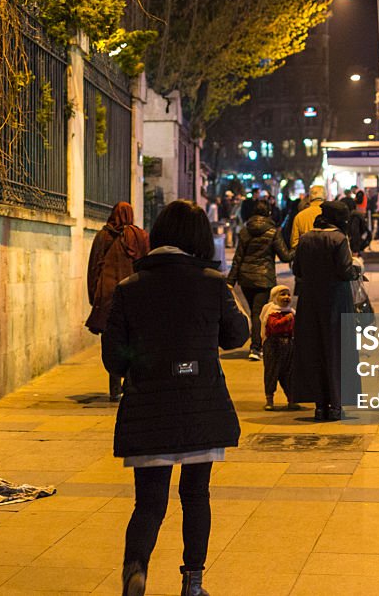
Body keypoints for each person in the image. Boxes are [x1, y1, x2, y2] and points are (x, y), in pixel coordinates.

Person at [102, 200, 249, 596]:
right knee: (196, 495)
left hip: (148, 409)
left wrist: (144, 363)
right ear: (199, 238)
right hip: (201, 405)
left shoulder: (129, 288)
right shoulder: (212, 283)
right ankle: (193, 583)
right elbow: (237, 337)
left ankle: (136, 570)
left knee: (148, 503)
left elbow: (113, 359)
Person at [289, 201, 360, 422]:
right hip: (336, 301)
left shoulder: (306, 238)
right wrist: (357, 269)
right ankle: (336, 405)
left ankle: (320, 405)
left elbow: (297, 269)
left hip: (310, 301)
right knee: (337, 348)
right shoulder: (339, 239)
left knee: (314, 349)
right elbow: (345, 271)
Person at [87, 202, 149, 400]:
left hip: (108, 296)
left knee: (112, 341)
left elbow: (93, 268)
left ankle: (115, 387)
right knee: (133, 339)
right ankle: (130, 382)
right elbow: (147, 264)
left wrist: (93, 296)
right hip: (134, 295)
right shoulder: (139, 236)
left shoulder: (102, 236)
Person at [227, 200, 294, 361]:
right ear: (268, 213)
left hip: (246, 278)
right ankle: (256, 347)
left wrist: (231, 280)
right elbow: (285, 256)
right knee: (258, 313)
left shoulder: (245, 231)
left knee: (254, 312)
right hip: (264, 278)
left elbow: (238, 257)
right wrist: (298, 249)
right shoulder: (272, 232)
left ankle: (257, 345)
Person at [260, 285, 299, 411]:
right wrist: (285, 320)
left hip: (288, 345)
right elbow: (273, 326)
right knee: (272, 372)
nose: (286, 297)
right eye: (282, 294)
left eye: (288, 294)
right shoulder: (271, 312)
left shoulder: (291, 312)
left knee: (289, 374)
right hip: (273, 345)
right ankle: (269, 399)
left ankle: (292, 400)